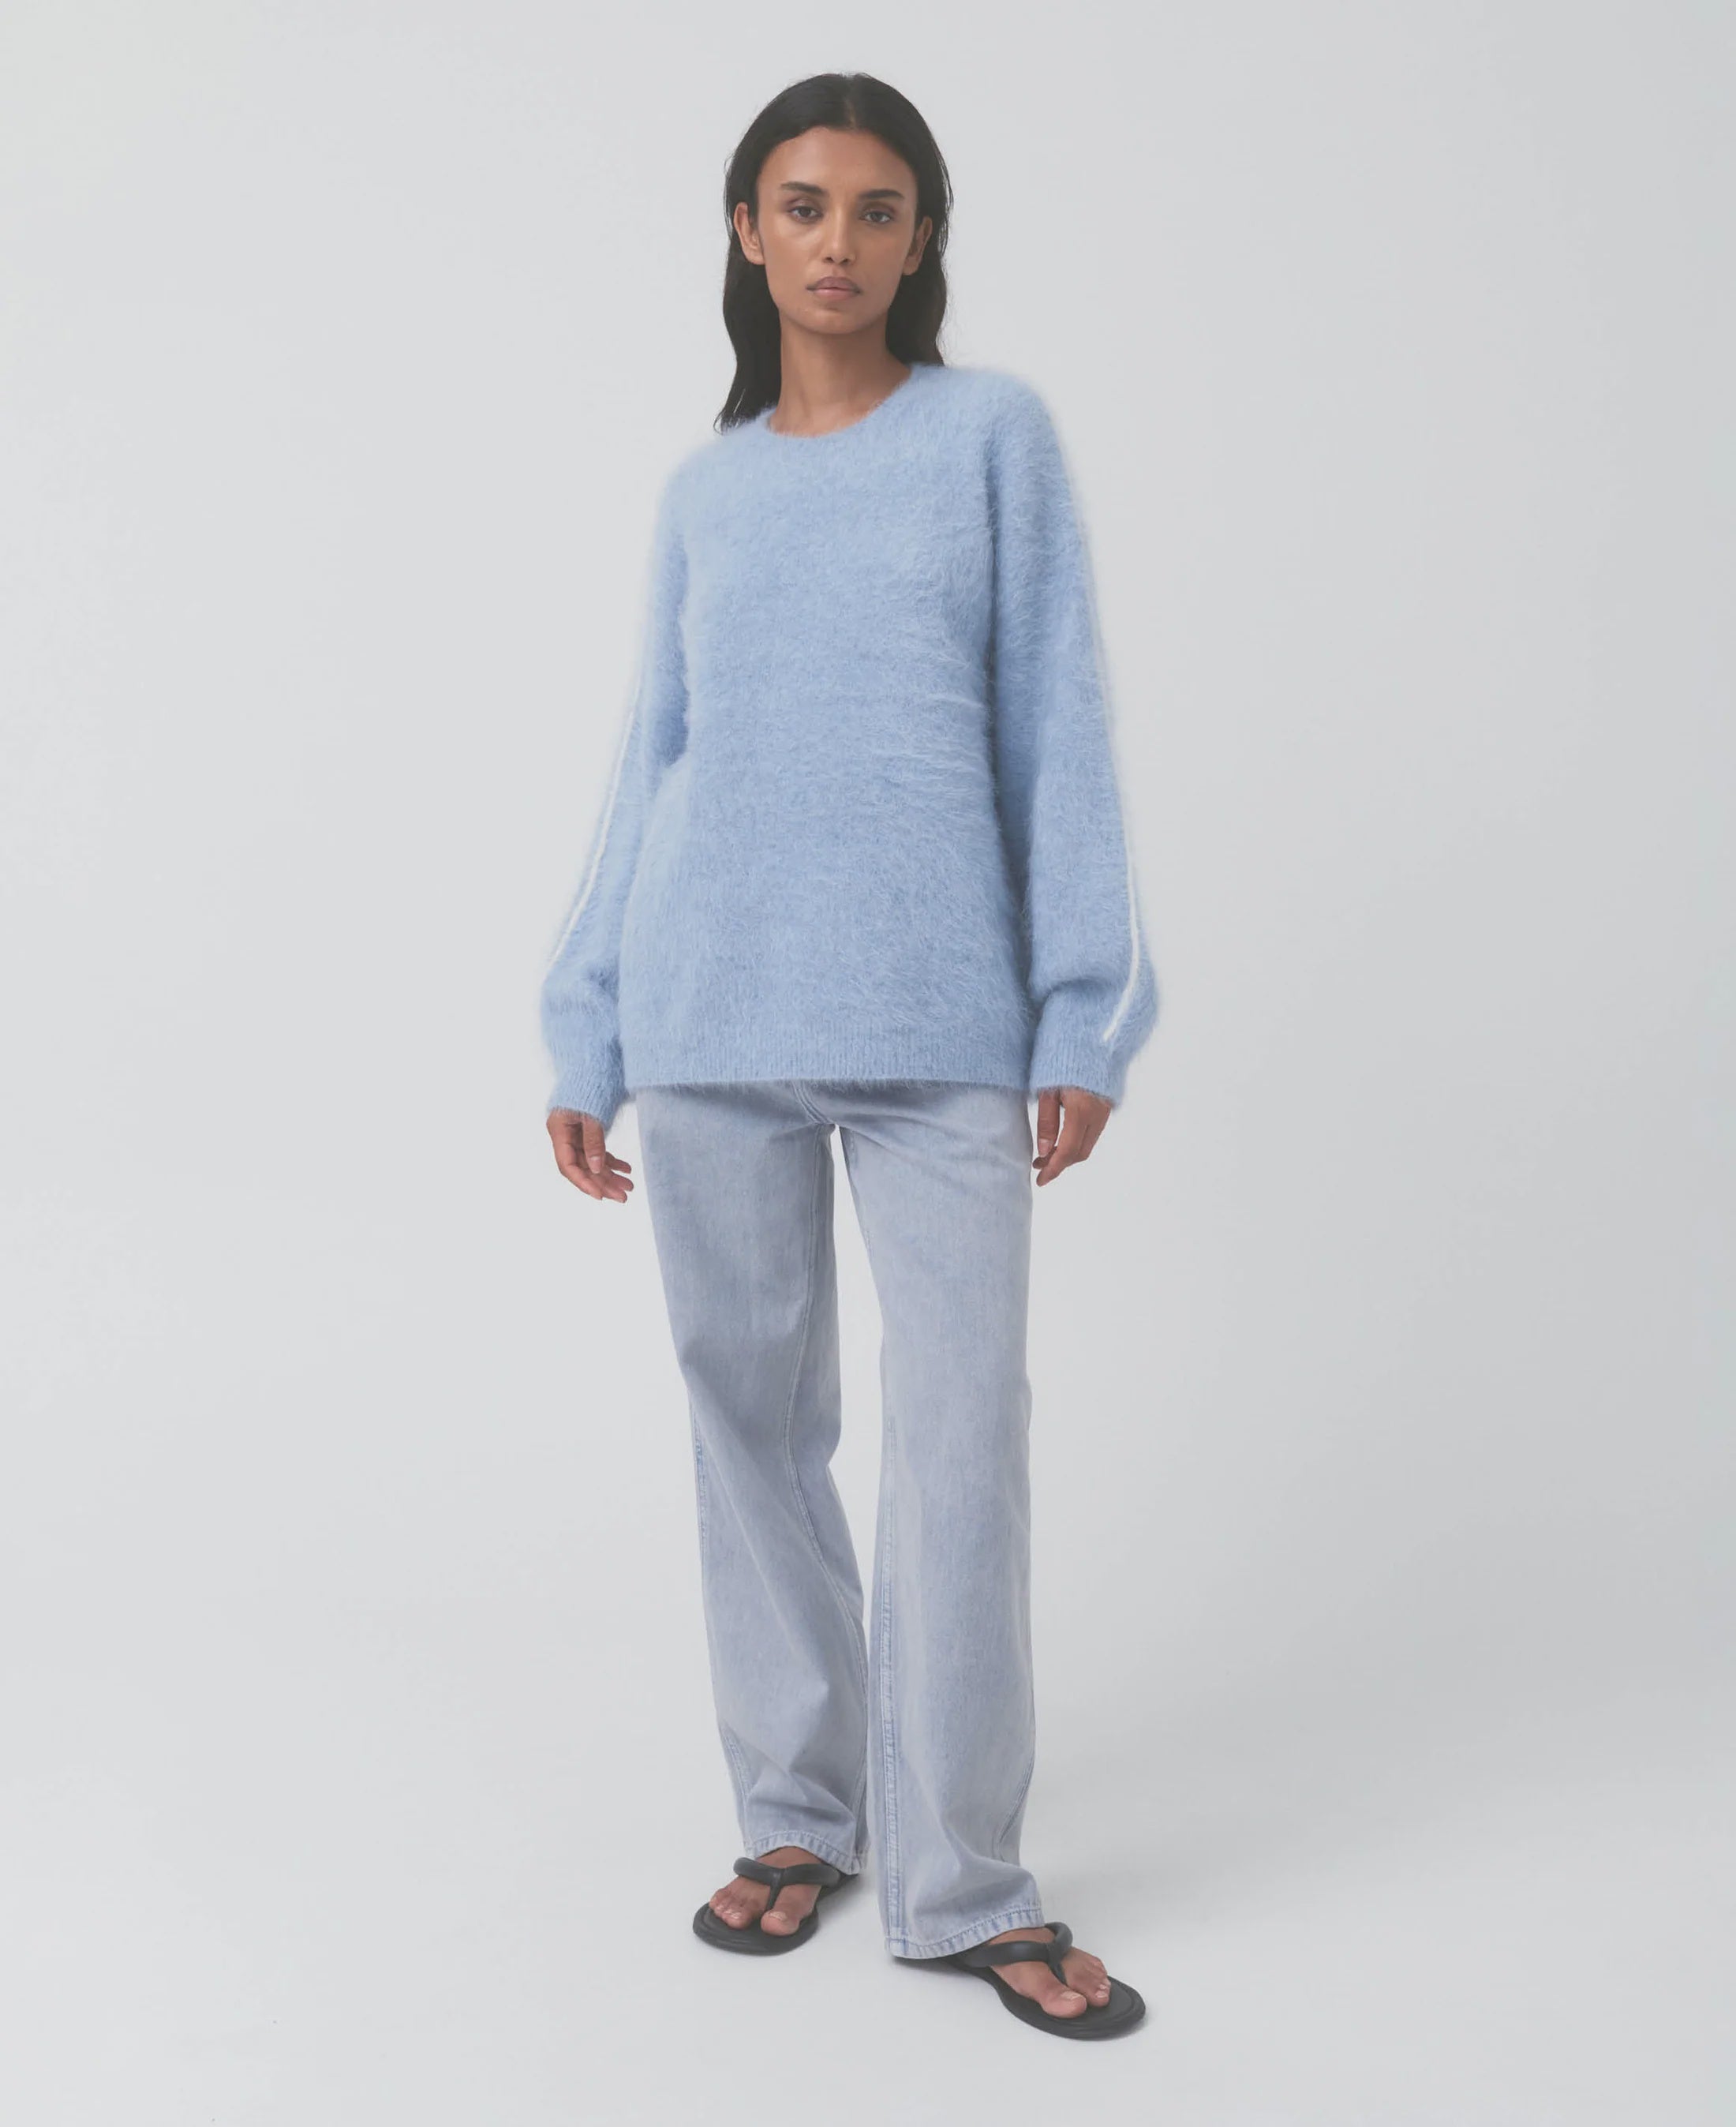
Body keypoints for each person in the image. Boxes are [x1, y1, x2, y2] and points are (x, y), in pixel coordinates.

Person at [539, 72, 1158, 2040]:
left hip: (936, 1025)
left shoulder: (990, 439)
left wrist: (1082, 1003)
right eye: (800, 205)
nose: (836, 240)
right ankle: (797, 1811)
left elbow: (1055, 720)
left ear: (920, 237)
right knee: (749, 1423)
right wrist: (586, 1017)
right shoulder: (704, 490)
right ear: (746, 232)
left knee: (959, 1436)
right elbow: (652, 762)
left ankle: (965, 1879)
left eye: (877, 208)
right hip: (710, 1011)